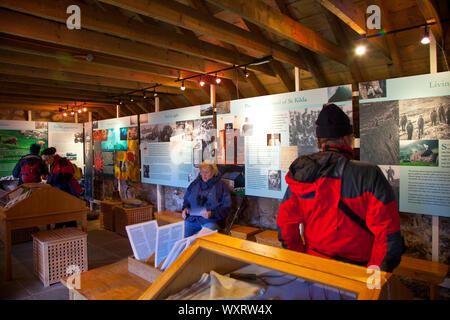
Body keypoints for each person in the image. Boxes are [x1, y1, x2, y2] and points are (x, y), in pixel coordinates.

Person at [276, 103, 404, 272]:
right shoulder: (369, 174)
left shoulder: (302, 175)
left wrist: (302, 258)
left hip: (314, 267)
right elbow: (388, 237)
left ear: (320, 141)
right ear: (346, 138)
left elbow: (285, 227)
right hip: (357, 272)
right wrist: (372, 275)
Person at [182, 161, 231, 237]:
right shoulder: (194, 184)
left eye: (206, 172)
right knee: (184, 238)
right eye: (202, 172)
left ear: (213, 172)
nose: (203, 175)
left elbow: (226, 208)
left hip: (211, 221)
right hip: (193, 219)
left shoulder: (221, 186)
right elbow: (186, 200)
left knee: (201, 239)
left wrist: (212, 214)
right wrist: (185, 209)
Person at [41, 147, 82, 229]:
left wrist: (52, 179)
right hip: (61, 193)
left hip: (69, 192)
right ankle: (64, 229)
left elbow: (67, 176)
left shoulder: (63, 162)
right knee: (64, 213)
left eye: (46, 160)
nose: (46, 162)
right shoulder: (54, 164)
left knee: (68, 213)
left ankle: (71, 232)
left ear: (50, 157)